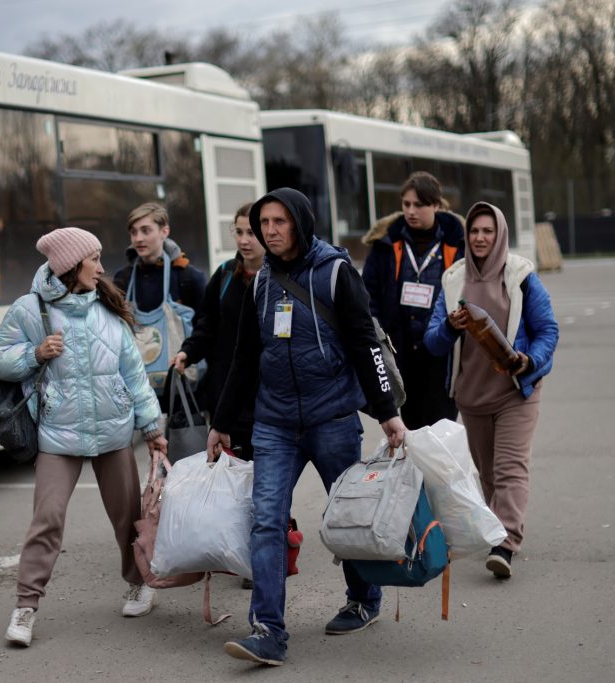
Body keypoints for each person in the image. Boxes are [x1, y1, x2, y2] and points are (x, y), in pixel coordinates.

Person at [206, 188, 406, 667]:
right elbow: (245, 358)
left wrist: (387, 413)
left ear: (299, 222)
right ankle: (268, 629)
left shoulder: (337, 273)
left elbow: (365, 346)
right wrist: (223, 421)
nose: (269, 232)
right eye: (263, 223)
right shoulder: (261, 283)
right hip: (274, 423)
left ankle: (363, 599)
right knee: (267, 519)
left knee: (349, 516)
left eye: (279, 222)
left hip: (332, 418)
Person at [0, 227, 168, 648]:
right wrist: (34, 354)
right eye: (94, 259)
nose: (102, 267)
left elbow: (134, 374)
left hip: (113, 429)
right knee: (46, 520)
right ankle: (25, 606)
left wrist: (152, 428)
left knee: (126, 519)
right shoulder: (30, 310)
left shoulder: (106, 307)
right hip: (57, 433)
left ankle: (140, 583)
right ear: (70, 265)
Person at [423, 202, 558, 579]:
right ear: (467, 236)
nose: (481, 238)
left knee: (510, 468)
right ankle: (499, 528)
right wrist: (449, 326)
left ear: (500, 234)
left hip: (517, 391)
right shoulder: (453, 278)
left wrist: (529, 361)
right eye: (475, 231)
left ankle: (505, 544)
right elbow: (433, 342)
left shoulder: (521, 275)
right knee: (488, 477)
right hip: (471, 396)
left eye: (488, 231)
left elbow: (548, 329)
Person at [361, 171, 464, 428]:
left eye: (419, 205)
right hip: (401, 354)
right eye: (406, 204)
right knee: (413, 430)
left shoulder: (457, 244)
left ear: (436, 206)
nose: (411, 211)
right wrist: (381, 334)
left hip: (443, 353)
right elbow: (368, 293)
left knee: (442, 430)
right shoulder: (385, 244)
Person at [172, 202, 262, 460]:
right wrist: (187, 353)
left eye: (251, 233)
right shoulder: (224, 275)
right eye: (239, 232)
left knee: (266, 478)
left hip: (267, 398)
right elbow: (206, 326)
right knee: (230, 476)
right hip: (226, 395)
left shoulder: (279, 278)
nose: (244, 240)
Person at [113, 202, 207, 319]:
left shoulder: (188, 278)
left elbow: (206, 328)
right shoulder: (123, 279)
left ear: (164, 232)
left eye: (146, 231)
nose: (138, 239)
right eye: (133, 232)